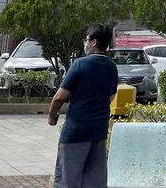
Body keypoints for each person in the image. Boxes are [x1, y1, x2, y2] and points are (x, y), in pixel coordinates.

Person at [48, 23, 118, 188]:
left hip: (76, 132)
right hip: (99, 133)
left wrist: (52, 115)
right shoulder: (112, 68)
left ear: (93, 42)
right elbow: (111, 97)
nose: (85, 43)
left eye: (87, 40)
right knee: (94, 183)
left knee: (67, 181)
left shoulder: (80, 64)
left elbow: (59, 97)